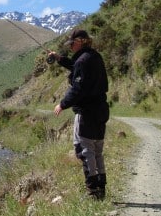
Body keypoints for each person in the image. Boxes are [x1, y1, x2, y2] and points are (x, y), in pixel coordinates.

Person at [47, 29, 110, 200]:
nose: (71, 46)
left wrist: (62, 104)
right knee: (97, 150)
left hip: (87, 112)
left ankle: (92, 191)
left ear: (81, 41)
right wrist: (60, 59)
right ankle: (101, 188)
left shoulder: (83, 61)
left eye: (72, 43)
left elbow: (78, 88)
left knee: (84, 150)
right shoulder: (94, 56)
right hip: (101, 110)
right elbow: (76, 67)